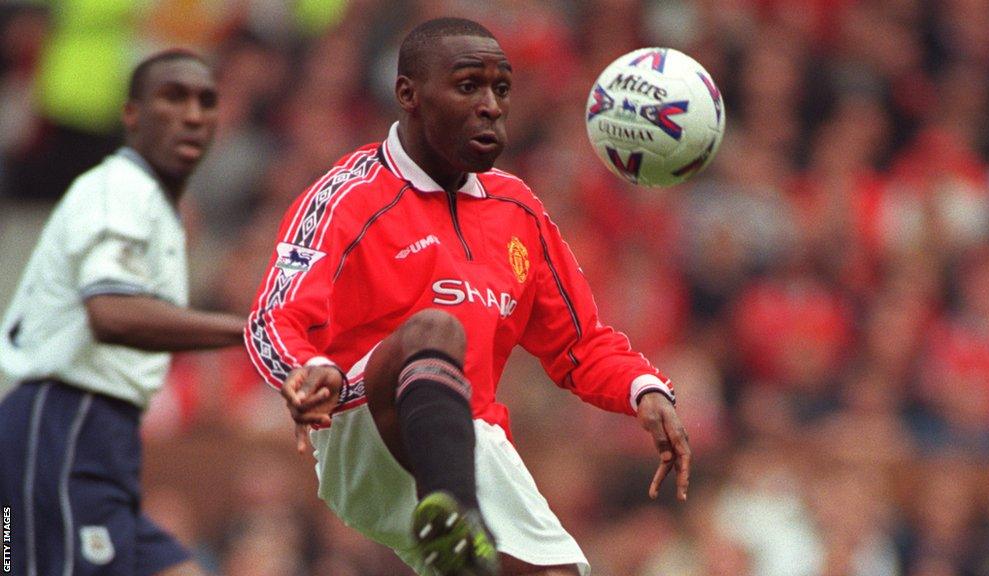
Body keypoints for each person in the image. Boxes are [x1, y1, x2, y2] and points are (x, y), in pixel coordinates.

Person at [245, 17, 690, 576]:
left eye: (500, 89)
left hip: (466, 433)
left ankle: (458, 538)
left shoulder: (518, 209)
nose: (491, 106)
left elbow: (579, 344)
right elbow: (271, 317)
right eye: (468, 86)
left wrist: (644, 390)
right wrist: (305, 370)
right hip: (361, 417)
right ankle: (458, 517)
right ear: (408, 93)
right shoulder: (348, 195)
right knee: (435, 330)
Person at [0, 50, 245, 576]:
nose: (193, 114)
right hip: (64, 423)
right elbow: (109, 314)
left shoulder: (154, 205)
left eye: (206, 101)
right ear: (131, 114)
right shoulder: (119, 189)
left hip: (102, 437)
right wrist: (252, 332)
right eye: (172, 96)